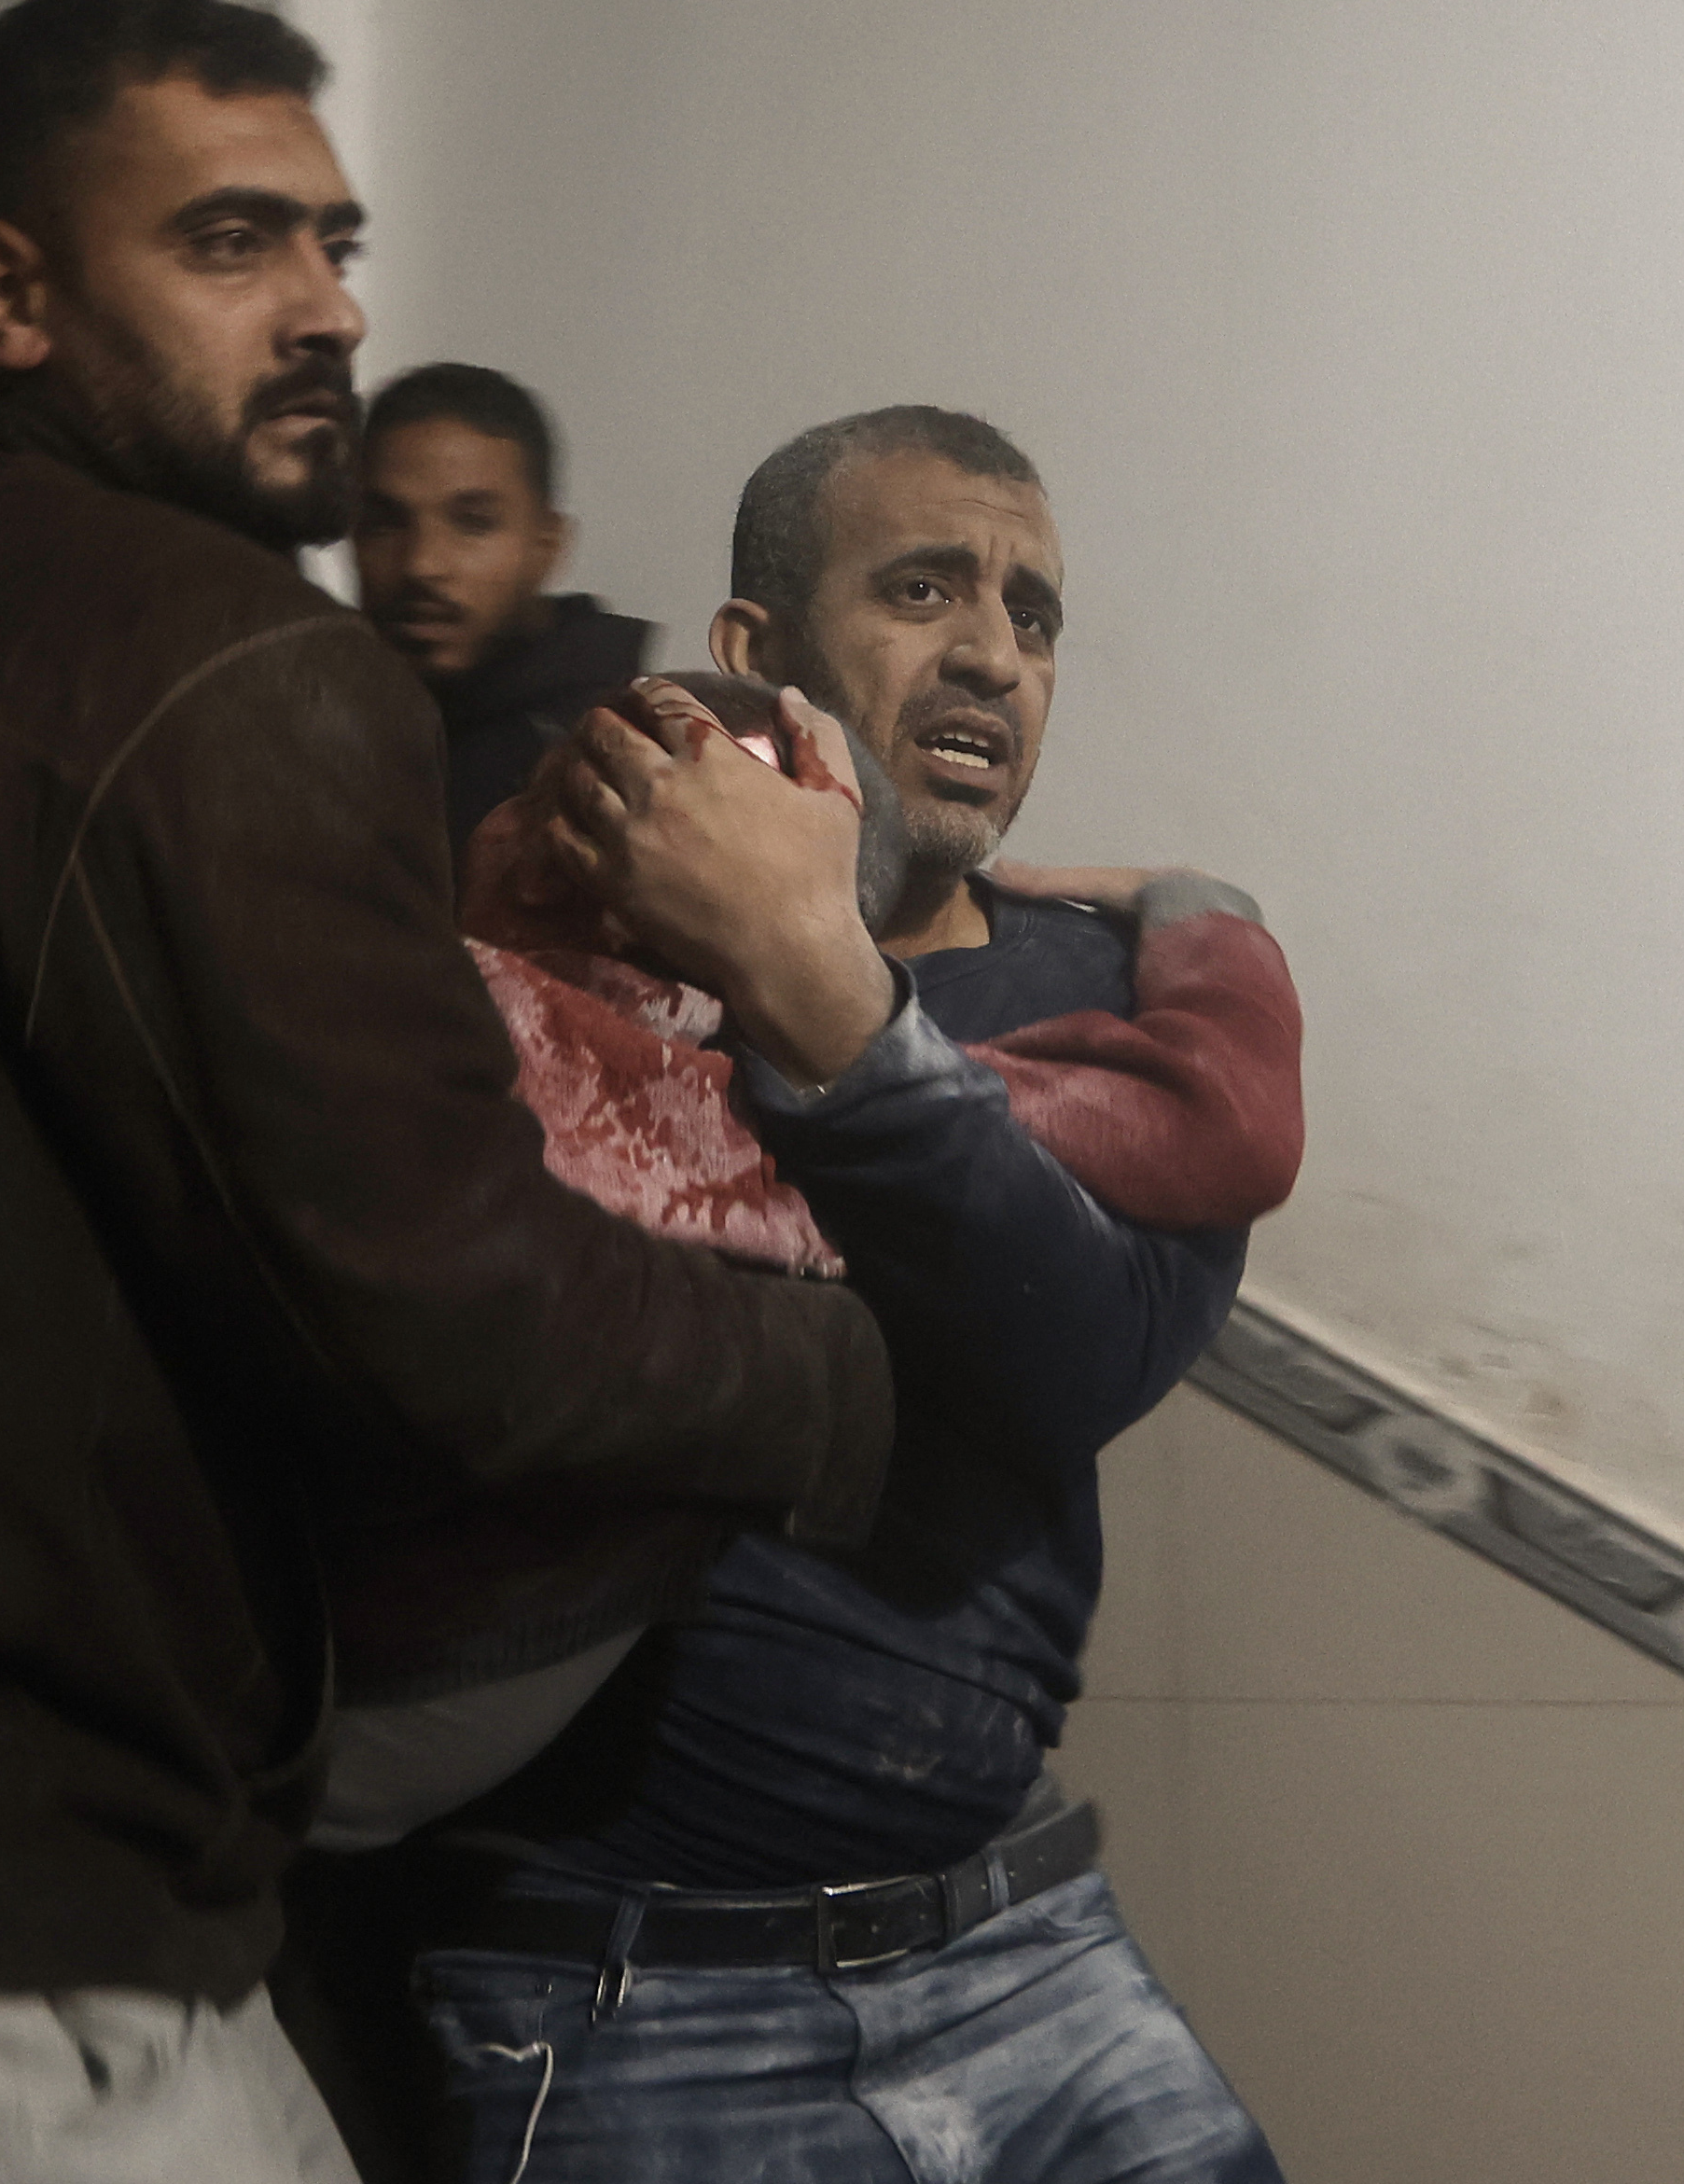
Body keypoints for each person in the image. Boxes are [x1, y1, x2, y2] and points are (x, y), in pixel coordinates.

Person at [0, 0, 899, 2184]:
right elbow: (455, 1313)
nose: (324, 307)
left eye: (334, 244)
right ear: (4, 290)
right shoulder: (227, 666)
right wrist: (838, 1373)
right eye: (228, 245)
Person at [406, 406, 1287, 2184]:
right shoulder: (578, 968)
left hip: (1027, 1949)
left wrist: (818, 991)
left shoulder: (1126, 1016)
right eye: (921, 587)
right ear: (759, 653)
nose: (991, 651)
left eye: (1033, 616)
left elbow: (1072, 1351)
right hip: (618, 1990)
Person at [352, 359, 651, 853]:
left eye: (473, 523)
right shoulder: (320, 728)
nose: (422, 564)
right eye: (385, 523)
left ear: (546, 543)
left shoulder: (617, 764)